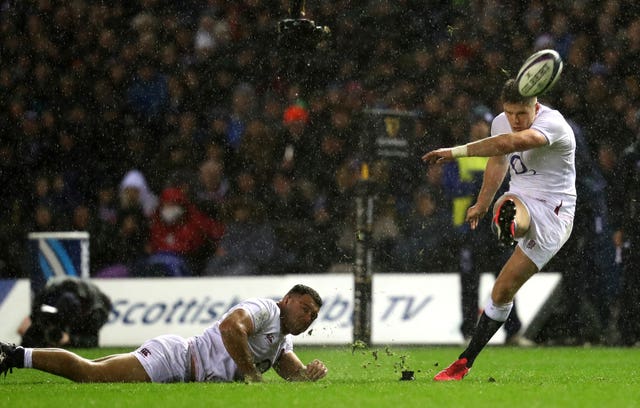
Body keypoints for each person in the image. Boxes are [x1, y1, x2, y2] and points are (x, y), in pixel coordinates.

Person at [422, 78, 576, 381]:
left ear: (536, 105)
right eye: (510, 113)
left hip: (555, 214)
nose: (515, 121)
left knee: (503, 290)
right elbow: (498, 159)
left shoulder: (554, 123)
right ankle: (463, 363)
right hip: (520, 198)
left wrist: (454, 152)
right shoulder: (501, 122)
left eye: (522, 113)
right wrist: (481, 202)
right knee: (507, 212)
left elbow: (509, 143)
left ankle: (509, 227)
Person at [0, 284, 328, 383]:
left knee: (92, 368)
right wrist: (250, 374)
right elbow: (231, 327)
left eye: (313, 314)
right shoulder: (267, 310)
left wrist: (308, 376)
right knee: (91, 375)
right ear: (287, 300)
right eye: (304, 307)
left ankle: (15, 355)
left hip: (182, 367)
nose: (308, 317)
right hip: (176, 360)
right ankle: (13, 354)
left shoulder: (283, 339)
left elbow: (292, 378)